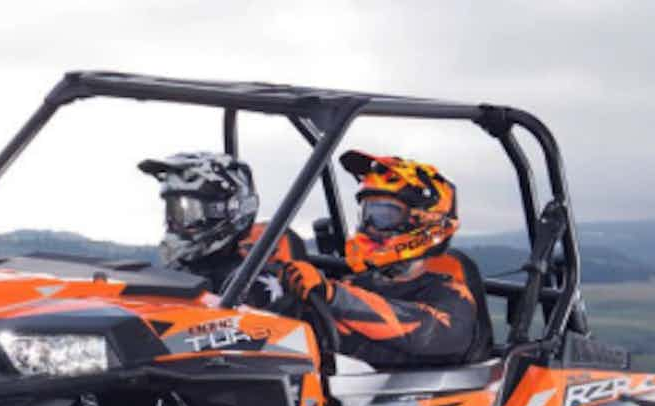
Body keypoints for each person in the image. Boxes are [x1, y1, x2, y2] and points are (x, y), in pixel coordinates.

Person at [280, 150, 488, 367]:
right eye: (367, 213)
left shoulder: (452, 295)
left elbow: (419, 328)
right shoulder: (358, 284)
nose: (369, 226)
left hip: (412, 396)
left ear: (424, 221)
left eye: (383, 215)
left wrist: (333, 296)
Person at [138, 152, 299, 305]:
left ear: (229, 210)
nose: (174, 222)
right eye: (172, 209)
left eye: (187, 210)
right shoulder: (177, 272)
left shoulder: (252, 286)